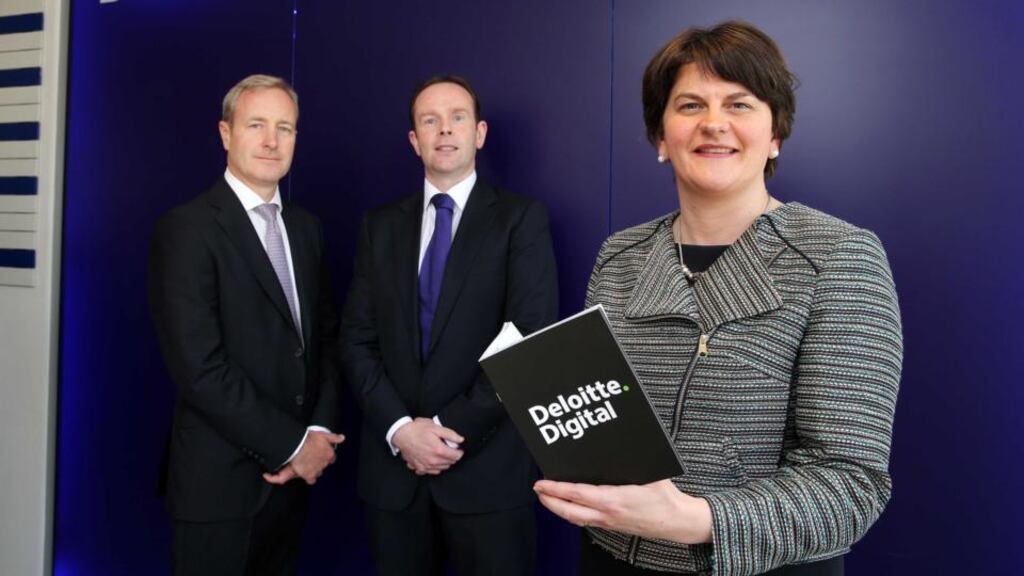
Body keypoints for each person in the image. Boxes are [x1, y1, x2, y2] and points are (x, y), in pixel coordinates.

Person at [534, 21, 902, 576]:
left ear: (775, 133)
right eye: (689, 106)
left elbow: (852, 484)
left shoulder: (840, 256)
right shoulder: (620, 256)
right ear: (661, 136)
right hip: (612, 558)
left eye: (739, 104)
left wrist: (692, 518)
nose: (713, 123)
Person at [340, 75, 559, 576]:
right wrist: (401, 430)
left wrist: (445, 431)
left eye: (457, 118)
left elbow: (527, 337)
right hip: (394, 478)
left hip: (488, 474)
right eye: (430, 121)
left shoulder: (520, 219)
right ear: (414, 140)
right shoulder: (380, 227)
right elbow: (356, 340)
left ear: (479, 133)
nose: (445, 131)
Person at [148, 74, 343, 576]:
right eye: (256, 124)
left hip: (293, 487)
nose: (272, 140)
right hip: (219, 490)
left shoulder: (305, 228)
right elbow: (199, 368)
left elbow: (322, 339)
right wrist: (296, 447)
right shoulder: (187, 229)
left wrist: (317, 431)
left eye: (286, 127)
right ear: (225, 133)